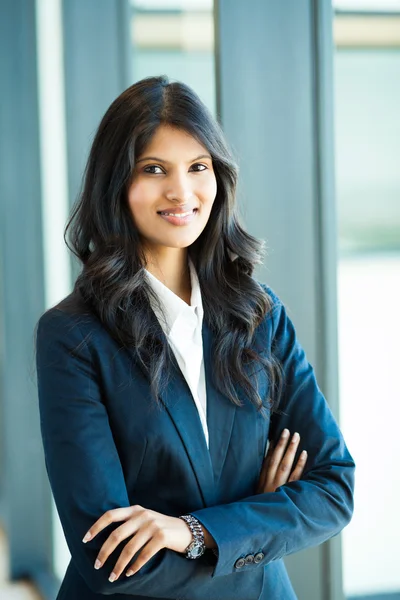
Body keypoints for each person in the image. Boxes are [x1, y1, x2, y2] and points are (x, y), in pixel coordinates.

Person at [35, 75, 355, 600]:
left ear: (219, 177)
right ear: (116, 183)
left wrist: (193, 532)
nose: (181, 192)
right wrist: (257, 522)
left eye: (197, 167)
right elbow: (109, 558)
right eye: (153, 169)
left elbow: (333, 487)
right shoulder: (72, 336)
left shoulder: (259, 313)